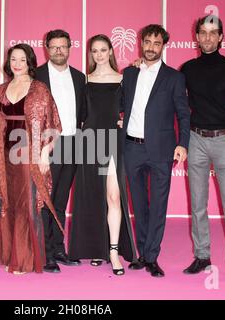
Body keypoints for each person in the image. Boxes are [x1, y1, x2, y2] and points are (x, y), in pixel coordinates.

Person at [181, 15, 225, 286]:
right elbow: (174, 101)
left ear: (221, 37)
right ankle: (202, 256)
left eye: (213, 33)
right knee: (198, 205)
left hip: (224, 141)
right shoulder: (186, 69)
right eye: (203, 32)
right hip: (195, 140)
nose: (208, 37)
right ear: (196, 36)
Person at [122, 24, 190, 277]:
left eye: (156, 43)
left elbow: (183, 114)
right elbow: (119, 104)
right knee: (139, 205)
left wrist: (183, 143)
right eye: (147, 42)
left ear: (163, 46)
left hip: (162, 150)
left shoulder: (174, 77)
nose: (151, 47)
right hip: (132, 148)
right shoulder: (128, 74)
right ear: (141, 43)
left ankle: (152, 257)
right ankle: (142, 253)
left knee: (158, 204)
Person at [0, 43, 62, 274]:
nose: (17, 64)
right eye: (13, 59)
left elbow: (55, 126)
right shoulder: (0, 90)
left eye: (22, 59)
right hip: (4, 157)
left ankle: (25, 260)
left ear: (30, 62)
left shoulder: (39, 89)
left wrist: (44, 153)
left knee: (27, 206)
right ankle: (9, 255)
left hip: (28, 157)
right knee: (7, 204)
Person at [68, 34, 137, 276]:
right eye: (94, 51)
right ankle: (98, 248)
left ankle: (113, 251)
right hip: (90, 142)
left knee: (114, 196)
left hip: (113, 141)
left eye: (103, 50)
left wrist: (122, 122)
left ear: (110, 51)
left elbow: (131, 111)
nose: (98, 54)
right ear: (91, 54)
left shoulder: (123, 79)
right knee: (94, 196)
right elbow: (80, 115)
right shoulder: (84, 81)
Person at [35, 29, 85, 273]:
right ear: (46, 48)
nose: (58, 51)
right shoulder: (37, 76)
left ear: (69, 47)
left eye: (62, 46)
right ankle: (45, 253)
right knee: (45, 201)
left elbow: (83, 112)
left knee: (61, 200)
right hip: (48, 145)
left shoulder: (79, 77)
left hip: (73, 144)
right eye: (53, 46)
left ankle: (58, 248)